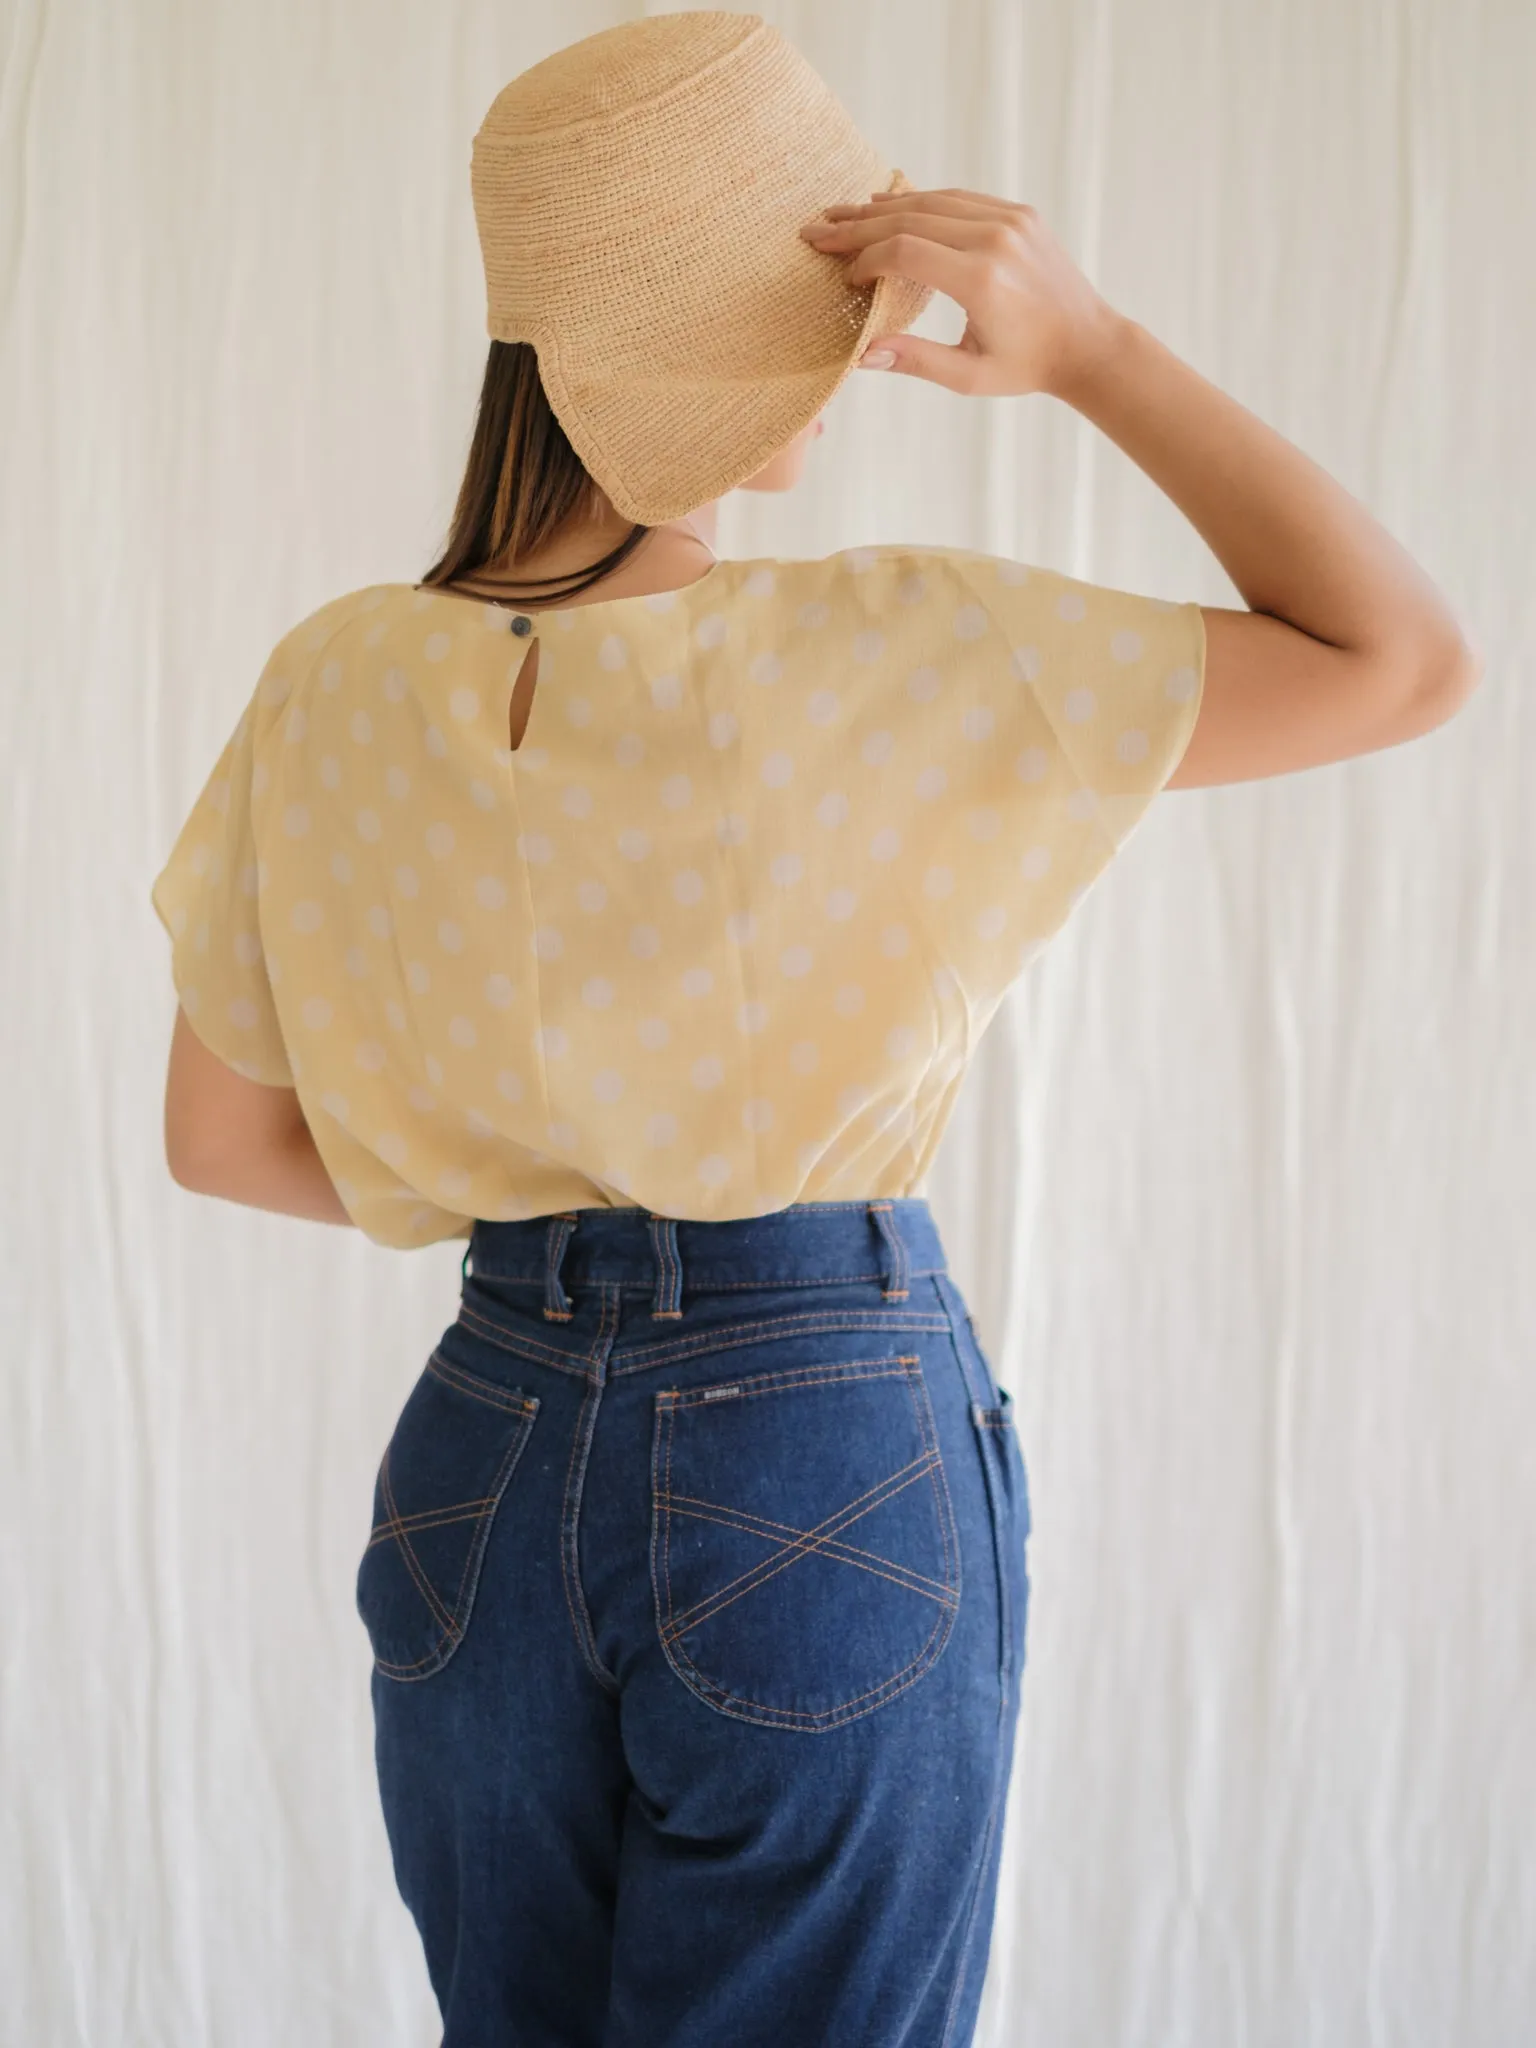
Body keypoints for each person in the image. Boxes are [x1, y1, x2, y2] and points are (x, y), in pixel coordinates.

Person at [148, 15, 1479, 2047]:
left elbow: (222, 1141)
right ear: (717, 328)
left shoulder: (328, 683)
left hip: (480, 1459)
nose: (867, 348)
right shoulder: (900, 652)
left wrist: (550, 1222)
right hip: (813, 1434)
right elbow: (1400, 657)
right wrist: (1098, 353)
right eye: (832, 302)